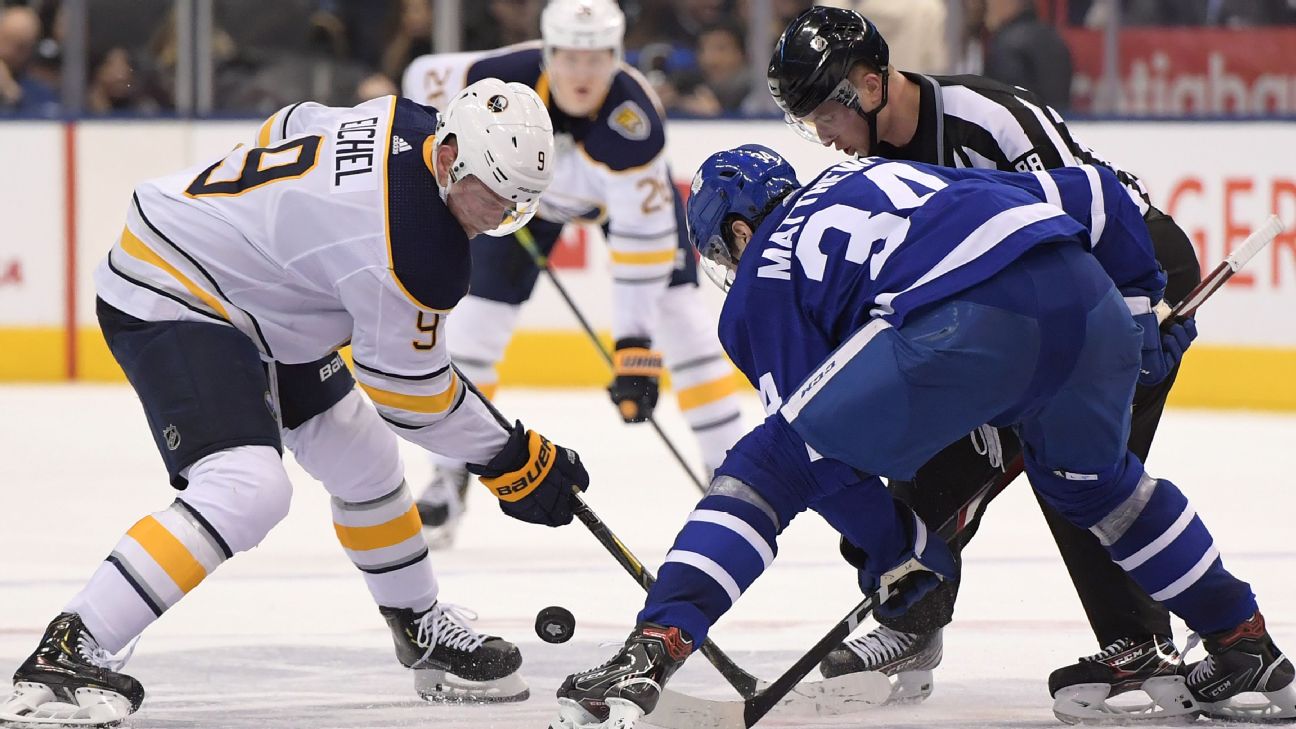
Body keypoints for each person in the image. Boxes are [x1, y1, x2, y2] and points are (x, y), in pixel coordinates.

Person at [550, 145, 1295, 729]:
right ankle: (1243, 641)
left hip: (966, 325)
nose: (727, 267)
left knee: (766, 464)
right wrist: (1134, 312)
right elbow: (1097, 195)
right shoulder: (883, 172)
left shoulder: (759, 281)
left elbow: (819, 458)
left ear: (741, 228)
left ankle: (653, 645)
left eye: (723, 249)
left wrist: (901, 550)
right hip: (1085, 296)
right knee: (1097, 485)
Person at [0, 79, 592, 727]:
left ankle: (418, 623)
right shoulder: (419, 245)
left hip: (254, 289)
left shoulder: (409, 117)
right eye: (493, 196)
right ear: (450, 157)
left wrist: (277, 236)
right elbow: (410, 393)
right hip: (175, 285)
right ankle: (70, 646)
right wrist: (510, 456)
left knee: (364, 455)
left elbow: (291, 121)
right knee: (247, 485)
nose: (497, 218)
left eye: (516, 206)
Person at [766, 6, 1208, 719]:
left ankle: (1144, 648)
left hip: (1135, 273)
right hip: (1037, 303)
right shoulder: (877, 167)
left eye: (824, 112)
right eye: (806, 119)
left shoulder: (988, 118)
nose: (822, 135)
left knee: (1076, 466)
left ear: (870, 85)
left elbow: (1096, 217)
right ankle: (912, 625)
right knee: (925, 437)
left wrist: (1133, 321)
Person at [402, 0, 748, 547]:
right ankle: (446, 480)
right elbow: (422, 80)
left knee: (683, 321)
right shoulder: (501, 76)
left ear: (616, 56)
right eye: (569, 56)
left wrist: (634, 346)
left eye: (597, 58)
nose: (582, 73)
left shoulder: (633, 123)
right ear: (547, 52)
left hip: (612, 207)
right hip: (521, 197)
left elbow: (641, 245)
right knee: (475, 331)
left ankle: (733, 476)